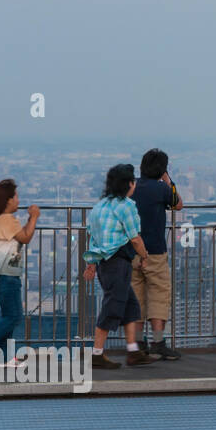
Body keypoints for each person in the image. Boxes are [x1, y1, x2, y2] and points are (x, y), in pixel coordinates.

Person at [82, 164, 153, 368]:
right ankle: (97, 354)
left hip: (104, 264)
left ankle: (133, 351)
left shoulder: (100, 206)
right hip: (118, 262)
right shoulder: (126, 206)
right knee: (112, 307)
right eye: (133, 181)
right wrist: (144, 256)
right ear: (129, 184)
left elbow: (94, 237)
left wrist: (92, 263)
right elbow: (135, 238)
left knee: (131, 307)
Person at [131, 149, 184, 360]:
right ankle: (158, 342)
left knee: (136, 298)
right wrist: (167, 179)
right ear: (162, 169)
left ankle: (137, 342)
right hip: (155, 252)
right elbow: (178, 204)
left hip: (132, 250)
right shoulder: (161, 188)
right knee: (159, 296)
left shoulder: (131, 186)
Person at [0, 180, 39, 367]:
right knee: (14, 316)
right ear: (8, 200)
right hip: (6, 273)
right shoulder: (6, 219)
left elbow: (21, 235)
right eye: (16, 196)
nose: (18, 200)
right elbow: (25, 237)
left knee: (8, 315)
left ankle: (1, 357)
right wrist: (34, 217)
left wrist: (28, 221)